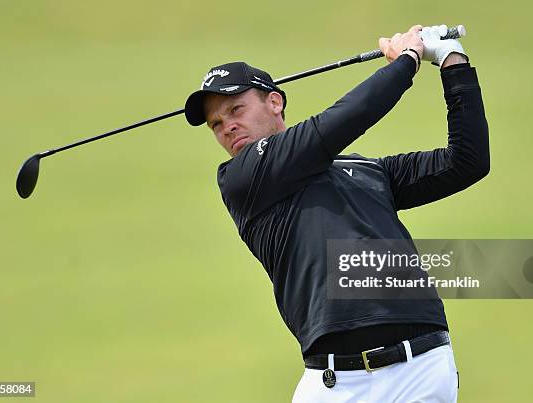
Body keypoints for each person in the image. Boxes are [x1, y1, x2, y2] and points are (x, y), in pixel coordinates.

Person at [183, 24, 489, 403]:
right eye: (216, 124)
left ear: (274, 103)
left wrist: (452, 62)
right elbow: (338, 123)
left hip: (421, 368)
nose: (227, 126)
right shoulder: (242, 179)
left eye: (235, 109)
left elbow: (467, 162)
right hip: (334, 384)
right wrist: (407, 59)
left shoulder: (366, 170)